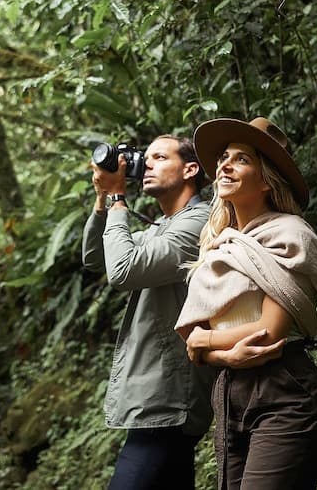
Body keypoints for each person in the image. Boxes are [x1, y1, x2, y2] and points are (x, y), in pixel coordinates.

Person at [174, 117, 317, 490]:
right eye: (223, 158)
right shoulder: (219, 244)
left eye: (241, 159)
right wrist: (224, 355)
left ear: (267, 180)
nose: (225, 165)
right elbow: (193, 341)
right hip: (229, 394)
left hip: (284, 392)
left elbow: (269, 332)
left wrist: (206, 342)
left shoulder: (289, 235)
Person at [82, 134, 219, 489]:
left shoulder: (200, 223)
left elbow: (122, 271)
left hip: (169, 396)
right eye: (147, 158)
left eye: (160, 157)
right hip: (159, 394)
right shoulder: (161, 228)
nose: (148, 164)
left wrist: (118, 198)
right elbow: (95, 258)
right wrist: (103, 198)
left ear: (190, 170)